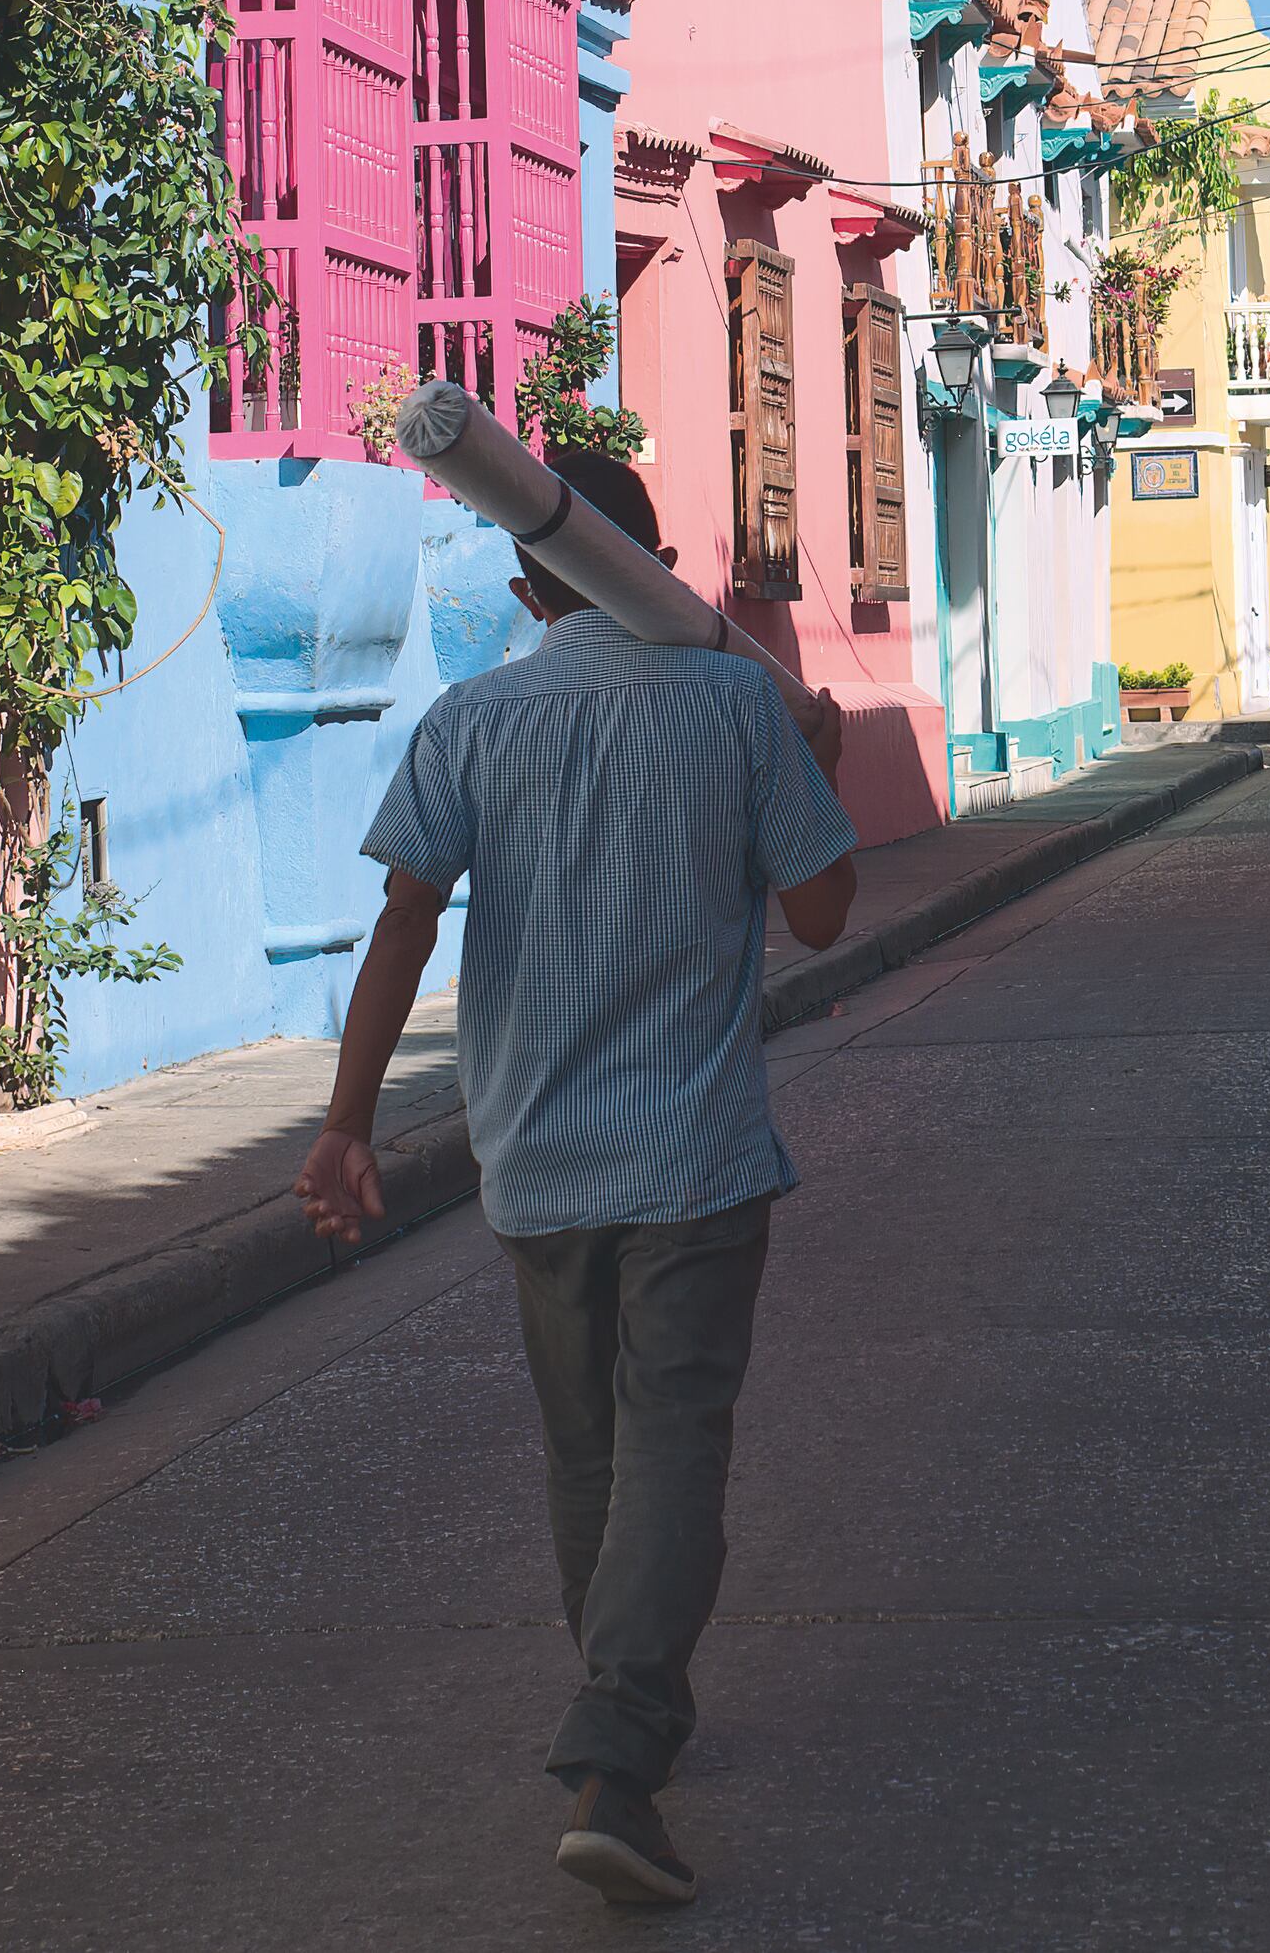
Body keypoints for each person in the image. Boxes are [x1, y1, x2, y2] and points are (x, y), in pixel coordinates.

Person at [291, 451, 860, 1911]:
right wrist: (821, 756)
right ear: (656, 560)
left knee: (588, 1452)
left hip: (533, 1152)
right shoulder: (739, 706)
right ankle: (617, 1748)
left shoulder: (473, 719)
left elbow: (405, 925)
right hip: (694, 1155)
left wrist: (345, 1122)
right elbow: (821, 914)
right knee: (672, 1440)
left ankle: (624, 1699)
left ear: (531, 582)